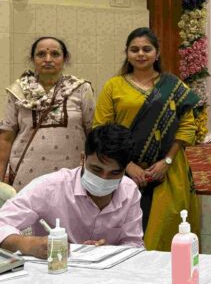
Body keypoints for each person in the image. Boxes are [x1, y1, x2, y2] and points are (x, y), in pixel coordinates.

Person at [94, 27, 200, 252]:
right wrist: (128, 166)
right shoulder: (114, 86)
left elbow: (188, 126)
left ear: (157, 53)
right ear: (127, 53)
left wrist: (166, 162)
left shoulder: (173, 86)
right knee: (124, 232)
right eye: (134, 50)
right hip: (121, 170)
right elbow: (101, 128)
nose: (140, 54)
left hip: (168, 170)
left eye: (146, 49)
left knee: (166, 231)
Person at [0, 124, 143, 258]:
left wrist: (108, 251)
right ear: (82, 158)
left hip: (105, 271)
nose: (103, 178)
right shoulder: (50, 187)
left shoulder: (129, 191)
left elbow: (134, 244)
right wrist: (29, 245)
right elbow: (2, 223)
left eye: (114, 173)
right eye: (96, 169)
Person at [1, 37, 94, 191]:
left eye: (55, 54)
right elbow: (5, 138)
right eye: (41, 54)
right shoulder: (18, 91)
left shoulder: (81, 89)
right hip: (26, 178)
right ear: (33, 59)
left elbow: (92, 134)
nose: (48, 59)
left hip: (71, 176)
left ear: (65, 59)